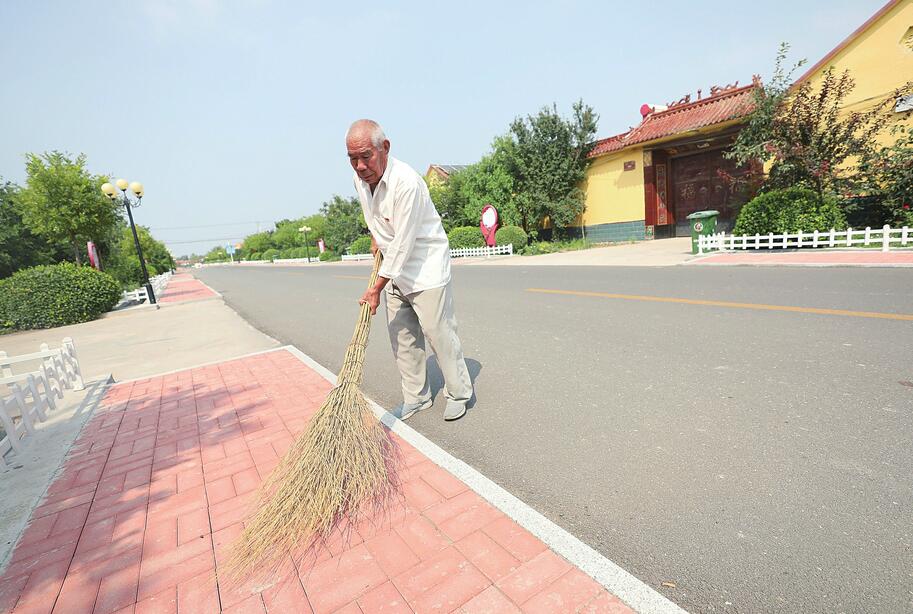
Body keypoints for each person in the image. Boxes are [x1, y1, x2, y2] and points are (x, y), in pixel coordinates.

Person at [347, 119, 473, 421]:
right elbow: (373, 216)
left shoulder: (407, 183)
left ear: (385, 148)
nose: (360, 166)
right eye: (353, 159)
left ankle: (459, 392)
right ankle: (417, 397)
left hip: (424, 266)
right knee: (402, 335)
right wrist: (376, 237)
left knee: (438, 332)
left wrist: (375, 288)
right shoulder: (360, 181)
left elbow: (404, 246)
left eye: (366, 156)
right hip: (393, 268)